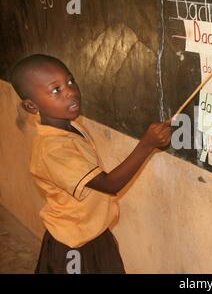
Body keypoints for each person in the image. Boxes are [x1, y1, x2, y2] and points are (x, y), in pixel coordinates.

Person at [10, 54, 172, 274]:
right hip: (73, 246)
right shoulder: (53, 151)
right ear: (31, 106)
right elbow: (109, 184)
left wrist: (151, 144)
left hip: (93, 232)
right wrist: (146, 145)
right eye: (56, 90)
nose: (71, 91)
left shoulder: (71, 127)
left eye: (70, 81)